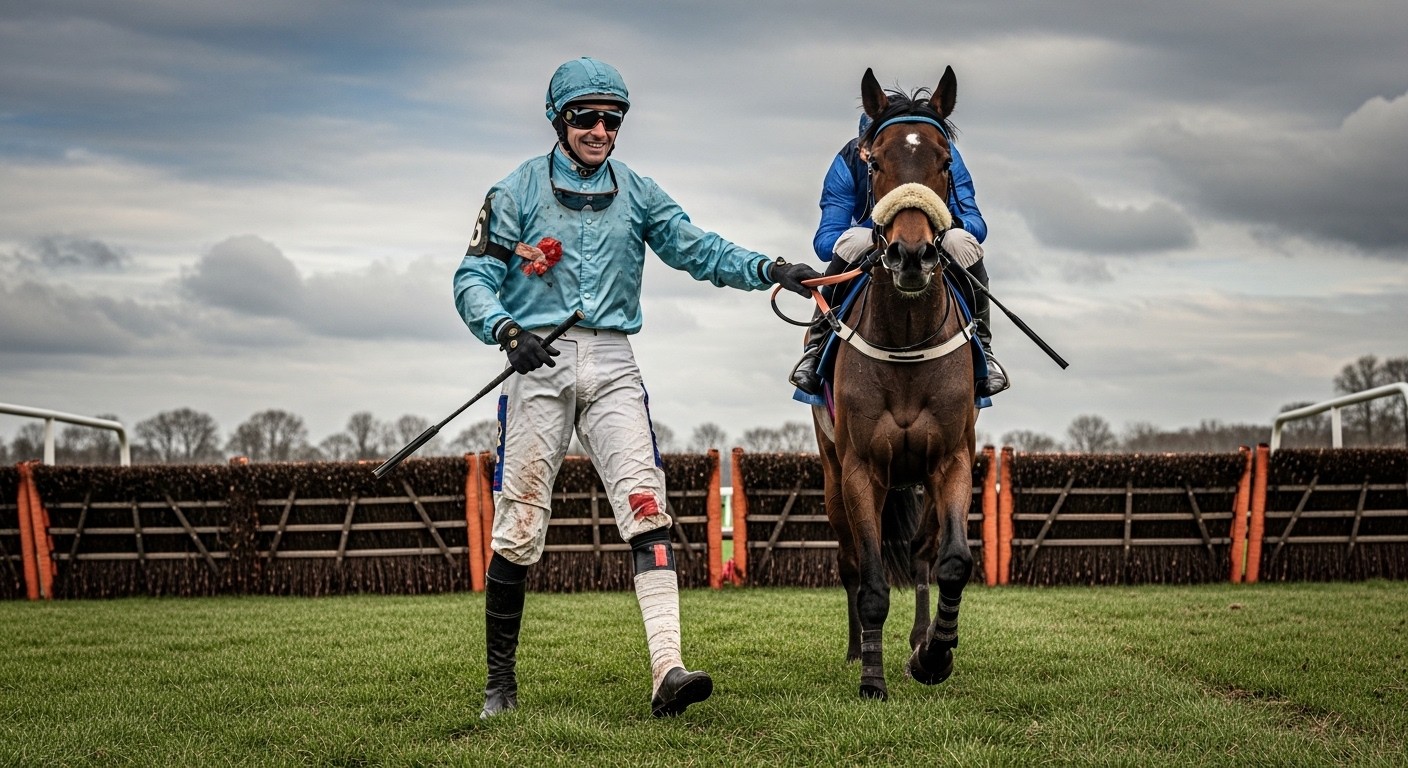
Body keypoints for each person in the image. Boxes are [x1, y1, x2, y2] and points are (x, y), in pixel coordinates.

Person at [453, 56, 820, 719]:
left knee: (647, 506)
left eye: (611, 119)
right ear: (557, 120)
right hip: (538, 365)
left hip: (615, 362)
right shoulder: (514, 191)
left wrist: (771, 268)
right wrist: (506, 331)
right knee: (520, 523)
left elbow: (697, 248)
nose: (598, 129)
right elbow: (470, 277)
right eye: (585, 118)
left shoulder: (641, 192)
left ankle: (667, 672)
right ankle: (498, 688)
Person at [789, 112, 1008, 398]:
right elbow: (825, 241)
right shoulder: (848, 160)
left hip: (932, 240)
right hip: (878, 243)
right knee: (853, 240)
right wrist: (884, 234)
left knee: (963, 242)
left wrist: (941, 224)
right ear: (865, 146)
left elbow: (977, 224)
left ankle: (984, 348)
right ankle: (816, 349)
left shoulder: (941, 153)